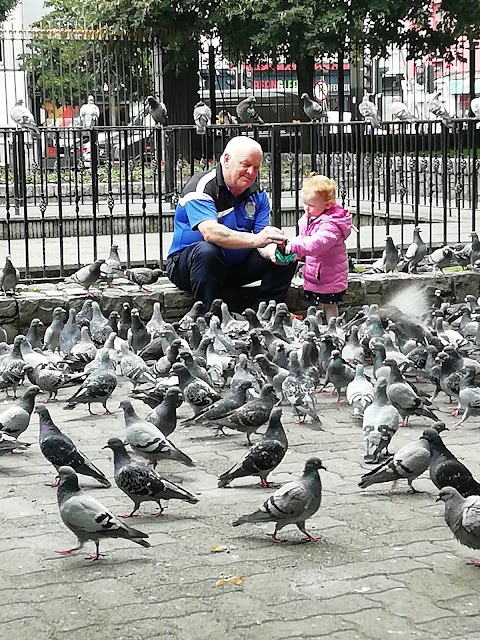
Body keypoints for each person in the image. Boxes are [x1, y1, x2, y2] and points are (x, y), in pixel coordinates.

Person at [166, 136, 297, 311]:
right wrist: (257, 240)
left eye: (256, 168)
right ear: (227, 160)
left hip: (233, 268)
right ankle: (208, 317)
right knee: (207, 251)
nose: (251, 172)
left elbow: (262, 241)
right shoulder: (201, 186)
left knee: (289, 253)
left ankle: (264, 313)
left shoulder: (258, 194)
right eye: (246, 165)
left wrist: (276, 252)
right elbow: (211, 233)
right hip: (190, 268)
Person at [284, 175, 352, 321]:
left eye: (311, 205)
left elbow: (317, 244)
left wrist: (295, 246)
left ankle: (333, 328)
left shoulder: (331, 224)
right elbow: (305, 240)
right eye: (305, 203)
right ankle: (317, 329)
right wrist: (294, 251)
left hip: (330, 275)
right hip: (316, 274)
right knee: (316, 305)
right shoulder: (310, 218)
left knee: (329, 305)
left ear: (327, 205)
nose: (306, 208)